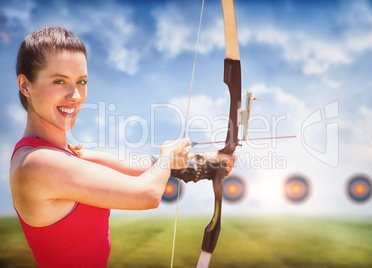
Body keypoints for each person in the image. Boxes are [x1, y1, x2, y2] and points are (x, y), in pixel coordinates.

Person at [9, 26, 235, 268]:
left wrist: (209, 161)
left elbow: (141, 167)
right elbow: (147, 194)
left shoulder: (68, 154)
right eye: (59, 81)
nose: (75, 95)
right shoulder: (35, 164)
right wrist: (168, 158)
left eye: (81, 81)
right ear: (25, 86)